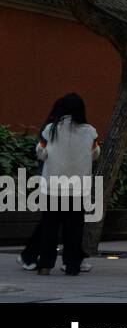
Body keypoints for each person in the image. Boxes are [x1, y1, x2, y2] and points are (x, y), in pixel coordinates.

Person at [34, 93, 98, 276]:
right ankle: (72, 265)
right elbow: (95, 153)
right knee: (74, 228)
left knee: (50, 227)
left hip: (53, 187)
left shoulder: (50, 130)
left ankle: (45, 264)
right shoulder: (90, 131)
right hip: (78, 189)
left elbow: (41, 152)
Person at [17, 101, 80, 271]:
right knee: (54, 222)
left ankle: (32, 255)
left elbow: (42, 152)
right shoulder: (58, 129)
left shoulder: (51, 128)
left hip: (52, 181)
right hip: (61, 182)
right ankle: (31, 255)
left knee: (50, 221)